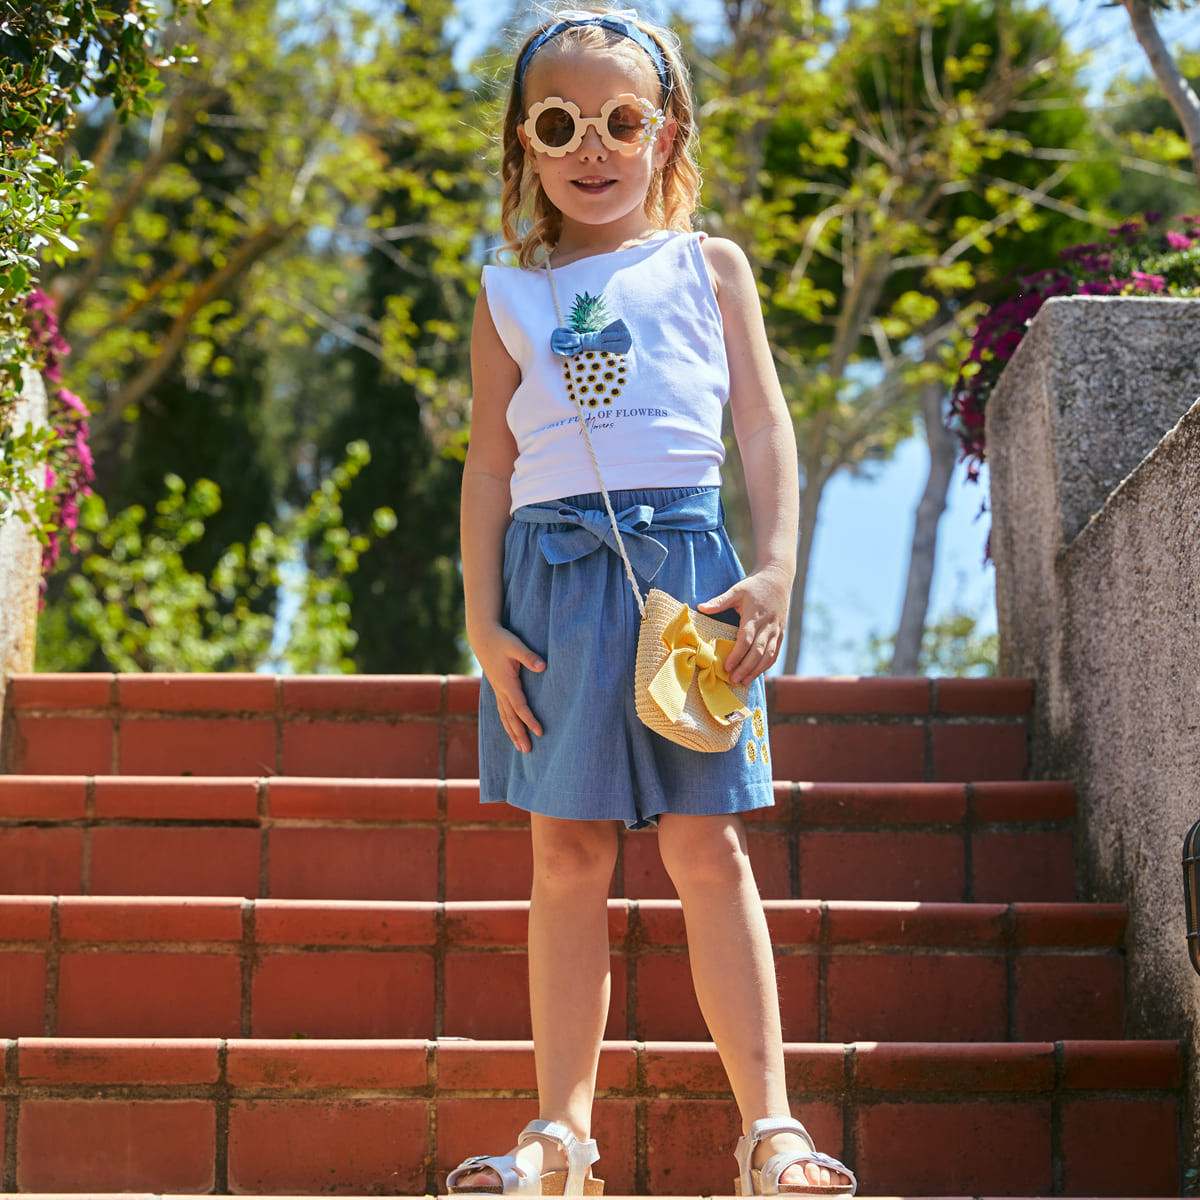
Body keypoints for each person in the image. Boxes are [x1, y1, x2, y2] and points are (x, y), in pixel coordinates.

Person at [452, 7, 857, 1197]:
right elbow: (488, 464)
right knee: (566, 852)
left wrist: (776, 567)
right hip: (553, 579)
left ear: (665, 134)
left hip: (688, 575)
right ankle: (561, 1136)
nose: (593, 146)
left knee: (706, 845)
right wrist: (483, 619)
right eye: (559, 123)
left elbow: (764, 425)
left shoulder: (709, 266)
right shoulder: (508, 293)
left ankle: (770, 1132)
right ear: (524, 144)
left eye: (622, 120)